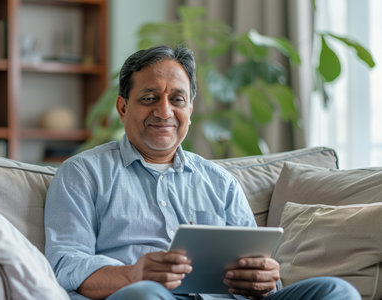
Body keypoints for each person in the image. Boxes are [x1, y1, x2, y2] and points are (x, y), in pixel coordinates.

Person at [44, 45, 361, 300]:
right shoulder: (81, 173)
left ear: (190, 110)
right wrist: (131, 274)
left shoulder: (220, 183)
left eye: (177, 99)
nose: (164, 111)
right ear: (123, 108)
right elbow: (64, 264)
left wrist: (263, 279)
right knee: (144, 294)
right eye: (149, 98)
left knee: (337, 291)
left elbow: (256, 268)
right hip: (142, 295)